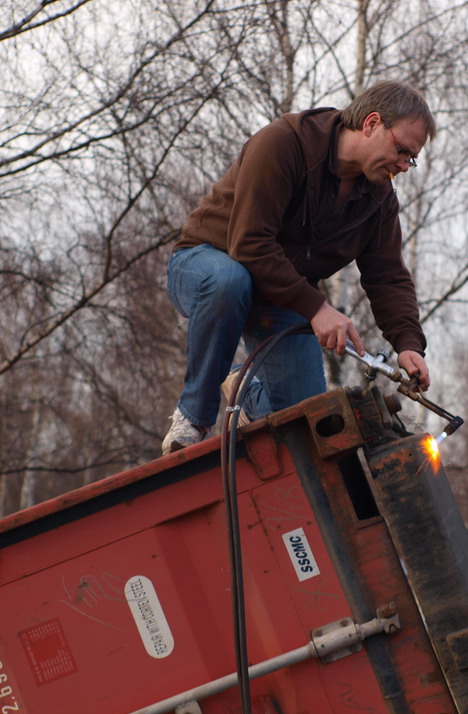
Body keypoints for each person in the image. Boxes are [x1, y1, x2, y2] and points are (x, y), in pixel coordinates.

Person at [162, 81, 436, 455]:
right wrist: (317, 309)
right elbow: (250, 245)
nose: (404, 165)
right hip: (206, 264)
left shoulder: (379, 200)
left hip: (278, 295)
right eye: (402, 150)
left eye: (412, 158)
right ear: (371, 123)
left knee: (308, 425)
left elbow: (387, 276)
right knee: (230, 279)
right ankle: (193, 418)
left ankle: (244, 392)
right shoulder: (283, 144)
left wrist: (408, 344)